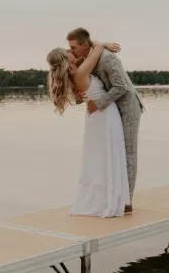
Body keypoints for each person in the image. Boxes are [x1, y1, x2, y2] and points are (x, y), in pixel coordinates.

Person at [46, 41, 131, 217]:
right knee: (109, 156)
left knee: (99, 159)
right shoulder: (81, 72)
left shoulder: (72, 74)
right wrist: (104, 44)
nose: (71, 51)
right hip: (105, 114)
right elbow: (98, 48)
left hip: (96, 117)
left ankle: (105, 199)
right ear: (65, 59)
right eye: (68, 51)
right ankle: (111, 200)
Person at [67, 28, 144, 214]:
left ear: (85, 45)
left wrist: (98, 104)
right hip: (110, 110)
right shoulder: (87, 59)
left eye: (74, 47)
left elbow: (121, 87)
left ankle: (127, 202)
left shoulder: (107, 58)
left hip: (127, 108)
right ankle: (113, 196)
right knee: (114, 154)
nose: (72, 51)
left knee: (128, 154)